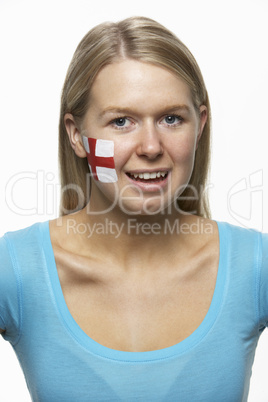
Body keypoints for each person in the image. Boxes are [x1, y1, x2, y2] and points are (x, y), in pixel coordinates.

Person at [0, 16, 267, 402]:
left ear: (201, 124)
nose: (151, 146)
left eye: (171, 119)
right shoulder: (17, 270)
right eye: (121, 121)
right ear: (77, 136)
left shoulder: (254, 266)